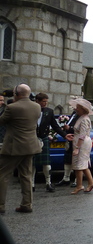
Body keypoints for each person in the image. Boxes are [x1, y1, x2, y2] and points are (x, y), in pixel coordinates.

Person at [0, 84, 42, 214]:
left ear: (17, 94)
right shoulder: (37, 106)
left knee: (3, 175)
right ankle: (27, 204)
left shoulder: (12, 107)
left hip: (14, 147)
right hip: (30, 146)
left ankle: (0, 205)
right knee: (26, 176)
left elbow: (1, 121)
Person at [32, 92, 68, 192]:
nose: (45, 104)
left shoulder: (49, 111)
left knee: (46, 164)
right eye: (43, 102)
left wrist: (65, 135)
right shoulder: (31, 110)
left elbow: (55, 126)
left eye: (46, 102)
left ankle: (48, 183)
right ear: (37, 101)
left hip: (44, 138)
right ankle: (31, 184)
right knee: (32, 163)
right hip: (32, 139)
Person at [66, 98, 93, 194]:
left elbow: (82, 135)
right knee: (80, 165)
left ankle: (83, 184)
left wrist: (77, 148)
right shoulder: (81, 117)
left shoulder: (84, 119)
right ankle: (85, 183)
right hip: (79, 141)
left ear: (83, 109)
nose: (76, 109)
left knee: (80, 164)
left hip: (82, 143)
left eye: (78, 107)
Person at [55, 107, 80, 187]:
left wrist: (70, 128)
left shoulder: (82, 116)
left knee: (77, 160)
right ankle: (66, 178)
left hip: (76, 140)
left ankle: (77, 180)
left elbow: (82, 129)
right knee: (67, 159)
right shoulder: (74, 114)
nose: (74, 107)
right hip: (69, 139)